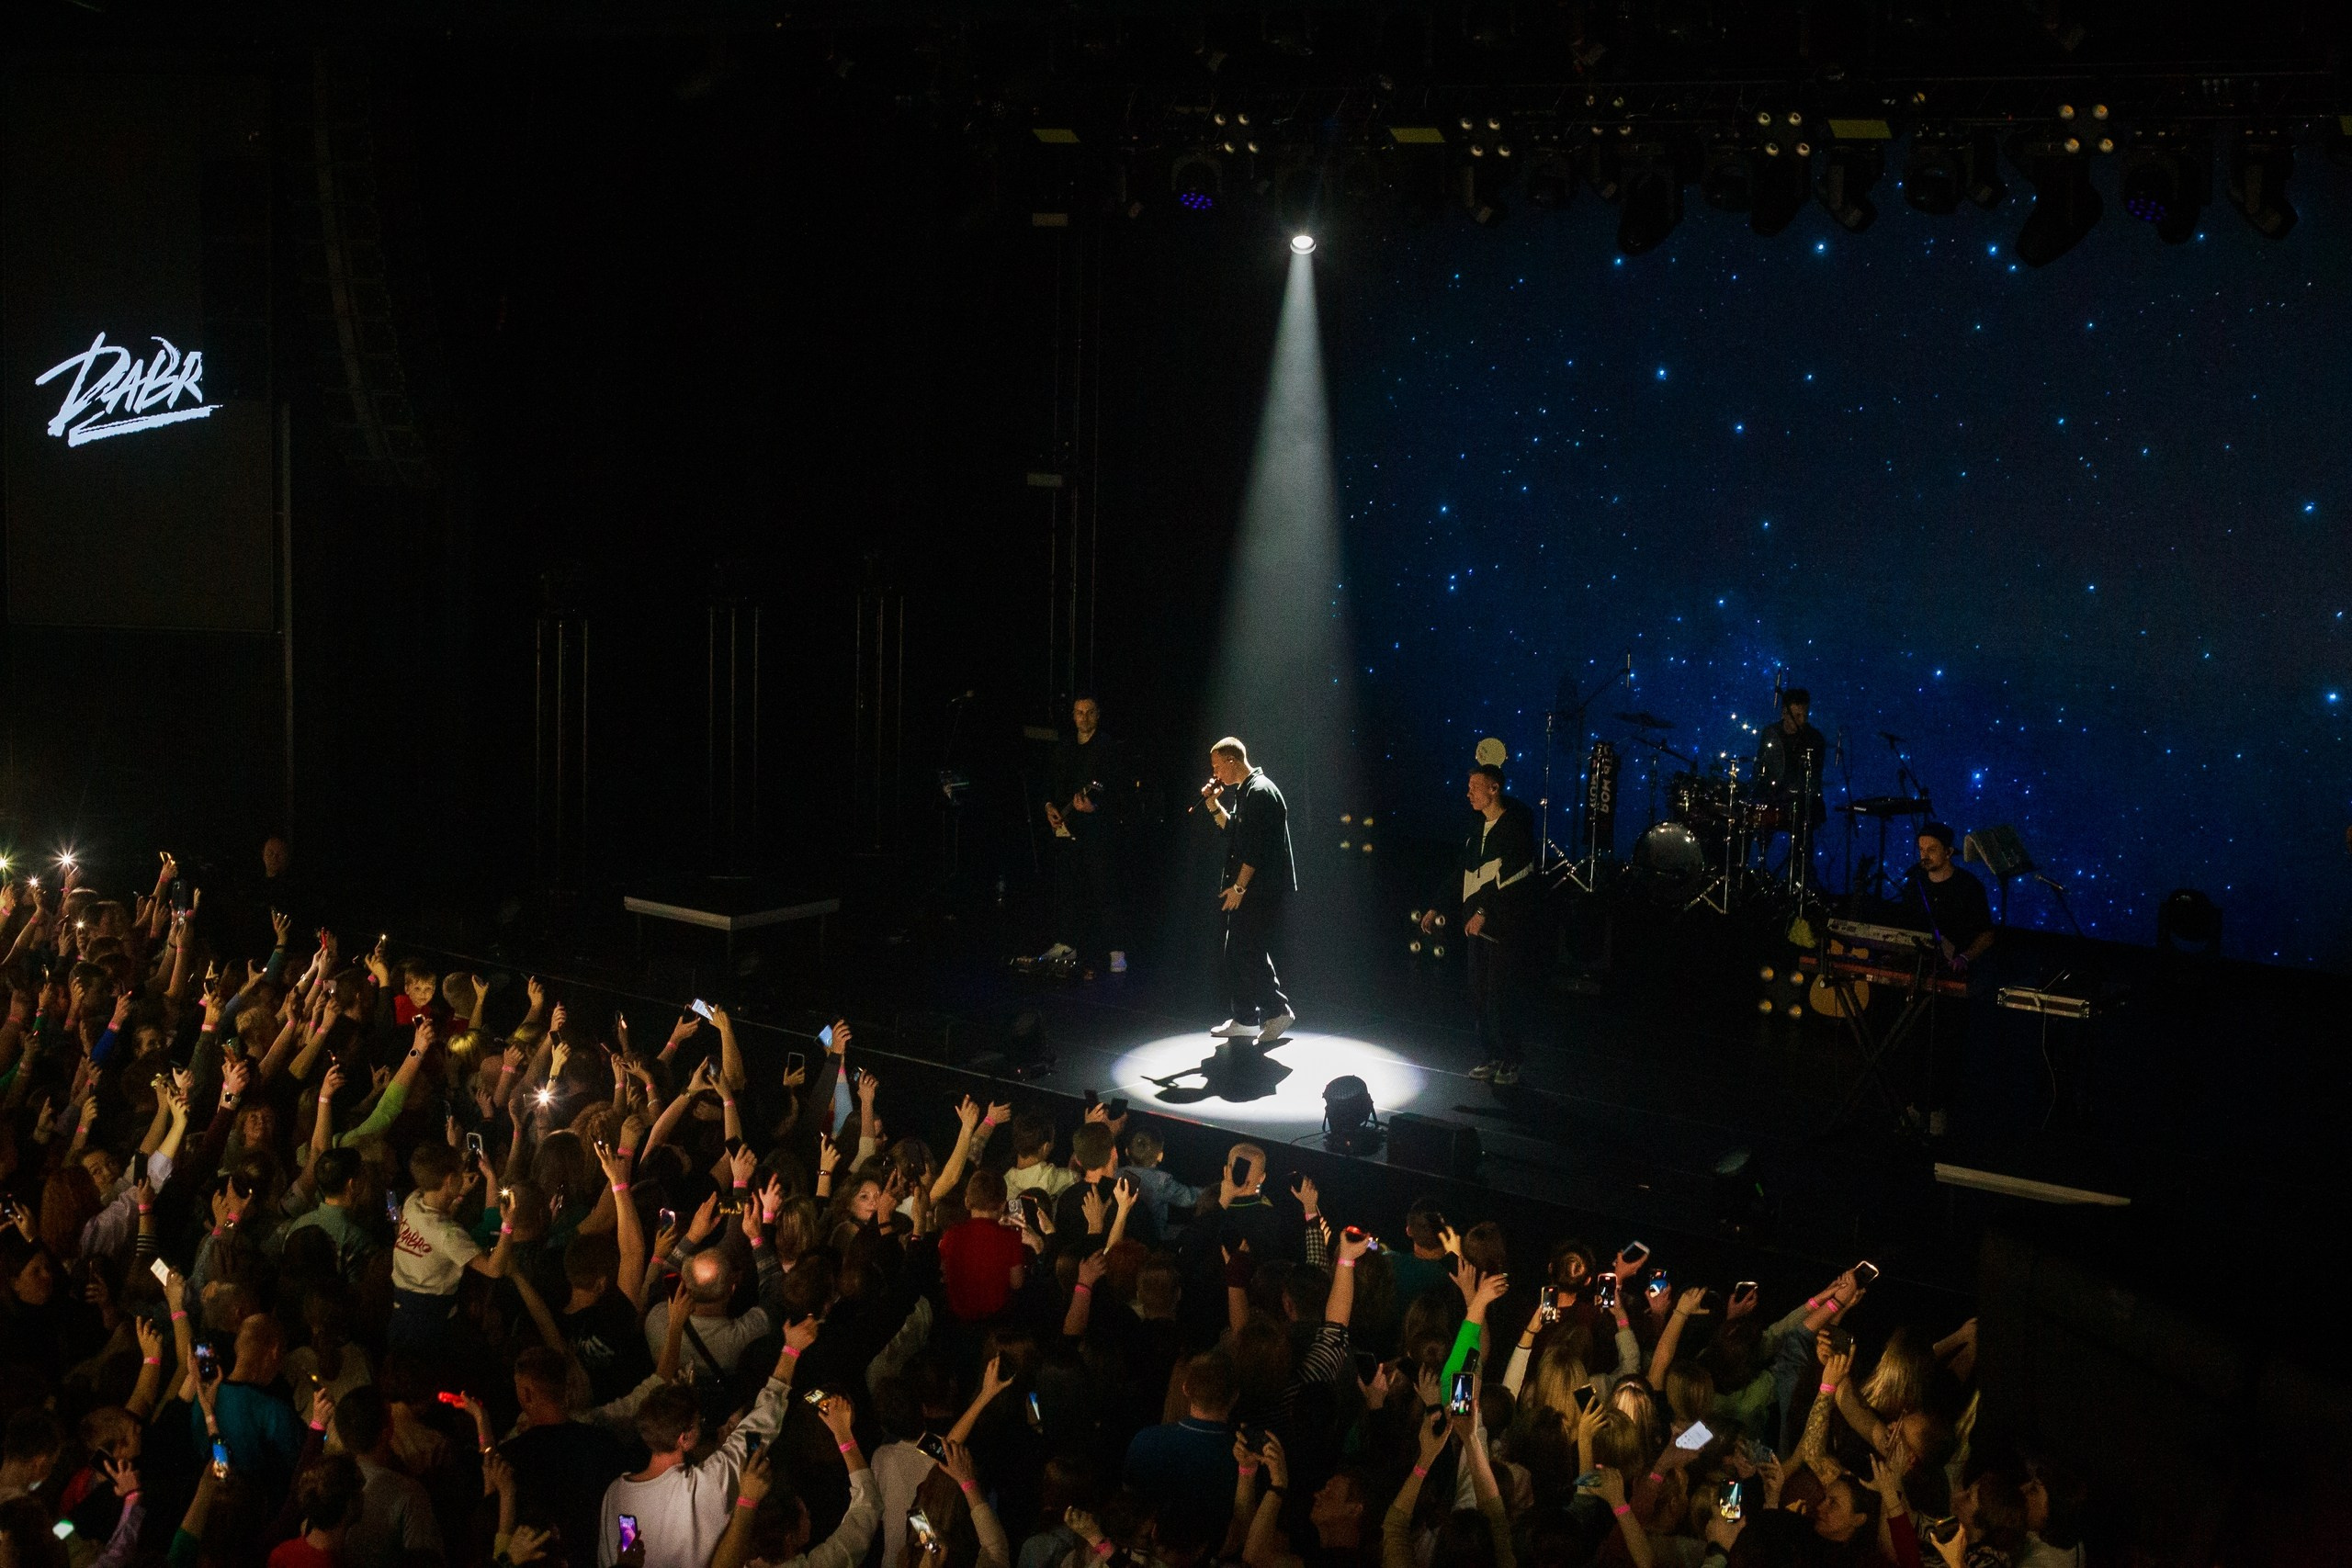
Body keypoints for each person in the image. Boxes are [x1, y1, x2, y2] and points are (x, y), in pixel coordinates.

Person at [1422, 763, 1536, 1086]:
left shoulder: (1515, 828)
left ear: (1494, 788)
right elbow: (1462, 872)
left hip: (1502, 927)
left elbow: (1512, 878)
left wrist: (1484, 911)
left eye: (1475, 786)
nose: (1468, 792)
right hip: (1475, 928)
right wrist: (1435, 907)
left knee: (1502, 995)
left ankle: (1512, 1059)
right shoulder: (1476, 830)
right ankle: (1493, 1056)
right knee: (1479, 995)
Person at [1199, 737, 1296, 1045]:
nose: (1215, 774)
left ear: (1231, 760)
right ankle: (1244, 1018)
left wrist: (1239, 887)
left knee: (1246, 950)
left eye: (1217, 766)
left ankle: (1278, 1010)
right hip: (1252, 887)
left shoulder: (1261, 791)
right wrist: (1214, 804)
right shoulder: (1246, 792)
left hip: (1260, 888)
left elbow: (1255, 850)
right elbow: (1236, 835)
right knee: (1237, 950)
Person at [1040, 696, 1131, 977]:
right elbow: (1052, 782)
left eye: (1089, 712)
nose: (1084, 717)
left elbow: (1118, 792)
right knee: (1067, 886)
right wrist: (1049, 807)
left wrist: (1095, 807)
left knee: (1104, 889)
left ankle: (1117, 951)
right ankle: (1067, 944)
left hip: (1098, 830)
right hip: (1067, 827)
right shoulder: (1065, 746)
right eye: (1079, 712)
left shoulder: (1106, 747)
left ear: (1097, 714)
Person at [1755, 688, 1829, 886]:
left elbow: (1814, 778)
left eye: (1805, 715)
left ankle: (1799, 881)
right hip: (1771, 798)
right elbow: (1760, 769)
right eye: (1797, 716)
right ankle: (1751, 874)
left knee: (1804, 836)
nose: (1802, 720)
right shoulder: (1771, 733)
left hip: (1799, 803)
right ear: (1784, 714)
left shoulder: (1814, 738)